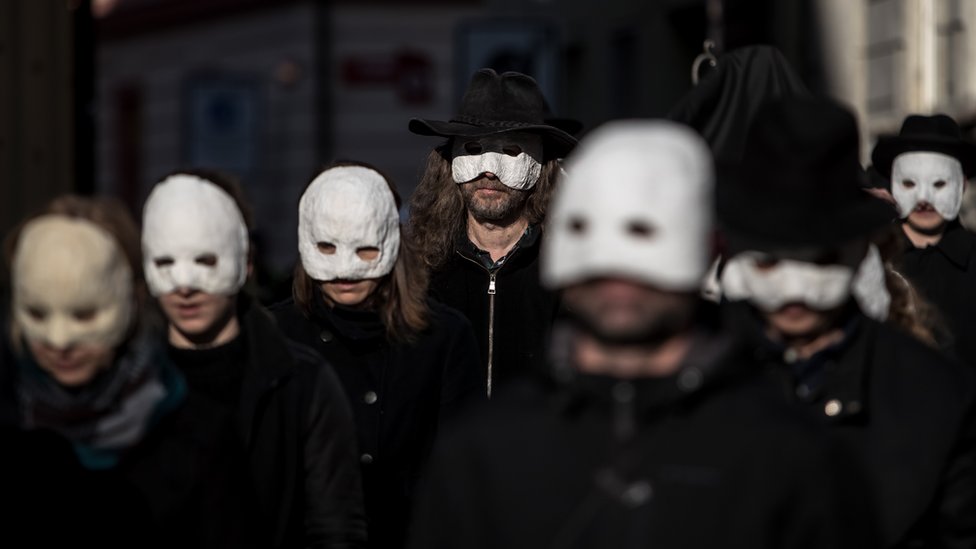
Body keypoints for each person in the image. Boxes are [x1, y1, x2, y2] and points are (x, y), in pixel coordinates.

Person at [408, 120, 877, 549]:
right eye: (588, 228)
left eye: (646, 232)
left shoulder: (787, 455)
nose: (618, 266)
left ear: (707, 246)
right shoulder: (480, 452)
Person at [716, 97, 976, 547]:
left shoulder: (935, 396)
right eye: (769, 262)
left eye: (820, 260)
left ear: (859, 252)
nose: (794, 290)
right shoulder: (687, 381)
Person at [1, 195, 256, 548]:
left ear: (133, 297)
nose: (59, 341)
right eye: (37, 313)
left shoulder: (200, 438)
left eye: (85, 314)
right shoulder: (9, 418)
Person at [141, 171, 366, 549]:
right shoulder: (127, 381)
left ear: (244, 263)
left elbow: (336, 530)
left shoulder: (301, 384)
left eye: (206, 260)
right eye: (166, 262)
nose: (185, 285)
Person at [272, 162, 482, 549]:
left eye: (366, 249)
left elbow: (461, 466)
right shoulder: (275, 336)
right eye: (327, 247)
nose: (345, 270)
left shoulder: (444, 337)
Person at [408, 68, 577, 395]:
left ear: (540, 165)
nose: (489, 170)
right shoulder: (420, 269)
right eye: (473, 150)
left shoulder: (567, 272)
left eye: (511, 152)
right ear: (450, 161)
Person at [871, 113, 976, 366]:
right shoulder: (874, 260)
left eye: (939, 183)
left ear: (960, 185)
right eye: (910, 183)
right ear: (893, 185)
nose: (924, 199)